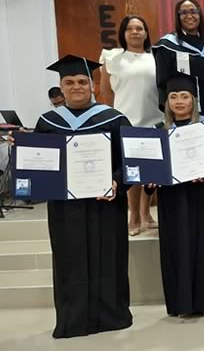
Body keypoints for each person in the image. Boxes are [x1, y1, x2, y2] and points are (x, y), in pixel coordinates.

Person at [33, 55, 132, 338]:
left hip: (106, 204)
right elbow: (40, 164)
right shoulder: (48, 122)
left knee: (109, 255)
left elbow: (128, 160)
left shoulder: (113, 118)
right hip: (66, 207)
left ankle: (112, 315)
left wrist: (117, 181)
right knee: (69, 258)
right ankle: (72, 319)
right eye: (69, 82)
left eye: (81, 82)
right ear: (60, 88)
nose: (76, 87)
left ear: (92, 86)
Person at [146, 74, 204, 318]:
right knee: (175, 249)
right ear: (166, 102)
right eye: (173, 97)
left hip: (203, 197)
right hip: (172, 201)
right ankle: (181, 305)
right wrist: (150, 180)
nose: (179, 101)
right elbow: (149, 171)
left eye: (185, 96)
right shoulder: (158, 131)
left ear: (194, 100)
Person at [99, 14, 162, 236]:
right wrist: (111, 118)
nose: (135, 32)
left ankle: (147, 214)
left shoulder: (156, 56)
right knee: (132, 173)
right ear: (123, 34)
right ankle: (133, 216)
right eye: (130, 29)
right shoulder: (113, 57)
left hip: (153, 120)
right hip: (126, 121)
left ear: (146, 33)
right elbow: (105, 92)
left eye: (140, 28)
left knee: (150, 173)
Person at [153, 0, 204, 120]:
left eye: (193, 12)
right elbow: (162, 84)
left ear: (199, 15)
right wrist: (172, 115)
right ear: (178, 17)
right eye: (184, 13)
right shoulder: (167, 46)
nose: (189, 16)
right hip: (184, 115)